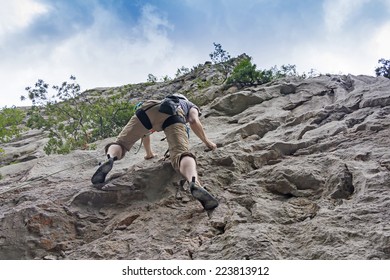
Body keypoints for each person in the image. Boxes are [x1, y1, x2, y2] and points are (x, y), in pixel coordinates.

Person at [91, 94, 219, 211]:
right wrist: (208, 143)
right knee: (181, 154)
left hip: (148, 108)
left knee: (121, 143)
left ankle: (111, 157)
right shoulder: (189, 105)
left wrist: (149, 153)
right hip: (173, 115)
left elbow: (145, 132)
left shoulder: (162, 101)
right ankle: (194, 182)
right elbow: (193, 121)